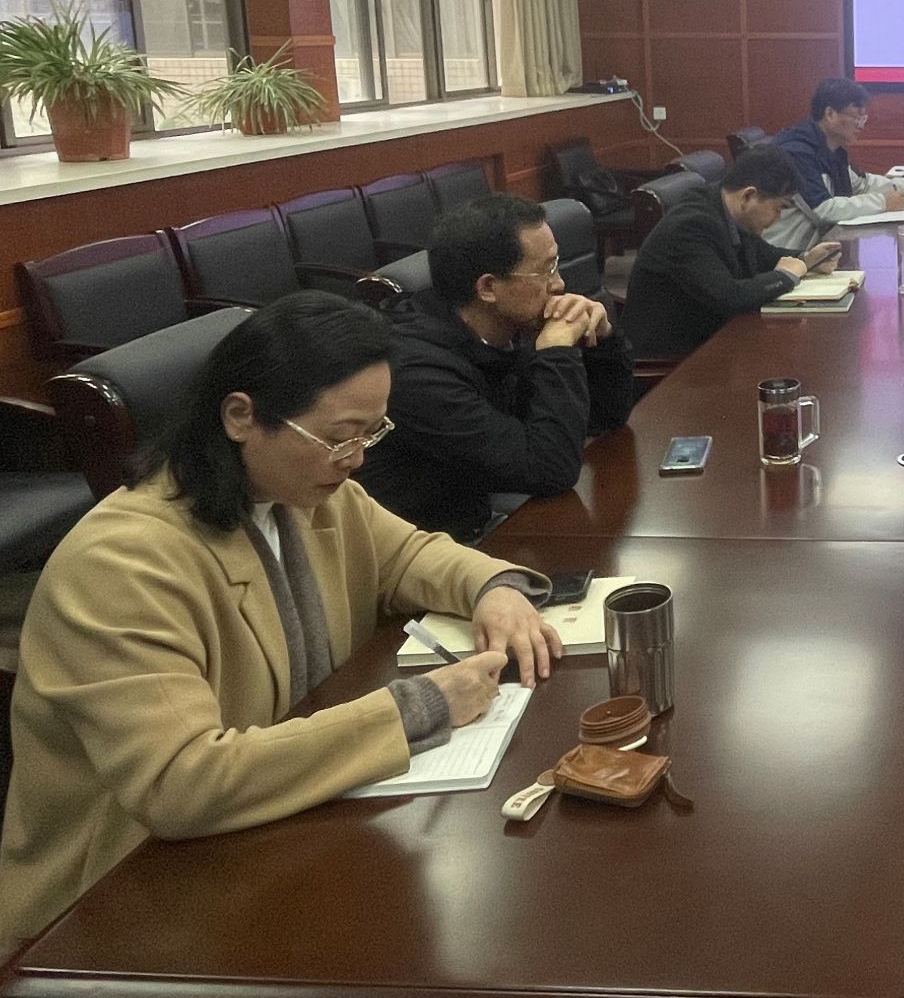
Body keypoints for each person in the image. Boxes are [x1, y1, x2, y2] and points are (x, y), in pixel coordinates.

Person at [0, 292, 560, 947]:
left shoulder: (304, 490)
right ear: (241, 415)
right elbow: (180, 784)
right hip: (120, 898)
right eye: (337, 436)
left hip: (272, 824)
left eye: (371, 432)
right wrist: (419, 707)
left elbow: (409, 554)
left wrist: (494, 588)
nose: (356, 457)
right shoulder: (121, 564)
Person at [355, 194, 634, 542]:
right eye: (545, 270)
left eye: (556, 264)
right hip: (425, 548)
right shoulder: (418, 372)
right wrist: (557, 352)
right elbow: (550, 471)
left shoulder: (510, 328)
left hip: (482, 514)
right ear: (488, 287)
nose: (559, 283)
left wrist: (603, 339)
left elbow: (606, 416)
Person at [623, 146, 843, 361]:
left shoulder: (725, 208)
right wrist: (785, 276)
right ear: (748, 196)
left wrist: (806, 258)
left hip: (712, 337)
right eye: (778, 208)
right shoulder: (690, 226)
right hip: (672, 358)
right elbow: (729, 297)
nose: (777, 218)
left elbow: (765, 255)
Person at [764, 77, 904, 250]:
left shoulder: (832, 149)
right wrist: (883, 203)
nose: (861, 126)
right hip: (785, 254)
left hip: (816, 249)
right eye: (856, 118)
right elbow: (823, 209)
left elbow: (862, 185)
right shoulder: (796, 152)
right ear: (830, 114)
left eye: (863, 118)